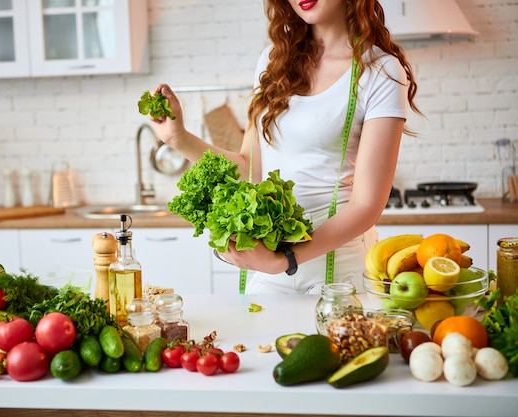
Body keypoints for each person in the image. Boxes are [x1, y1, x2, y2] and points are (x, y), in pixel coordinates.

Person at [147, 0, 420, 294]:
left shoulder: (379, 72)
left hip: (339, 273)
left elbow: (367, 205)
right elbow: (249, 169)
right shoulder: (273, 62)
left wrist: (287, 259)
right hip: (270, 267)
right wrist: (177, 138)